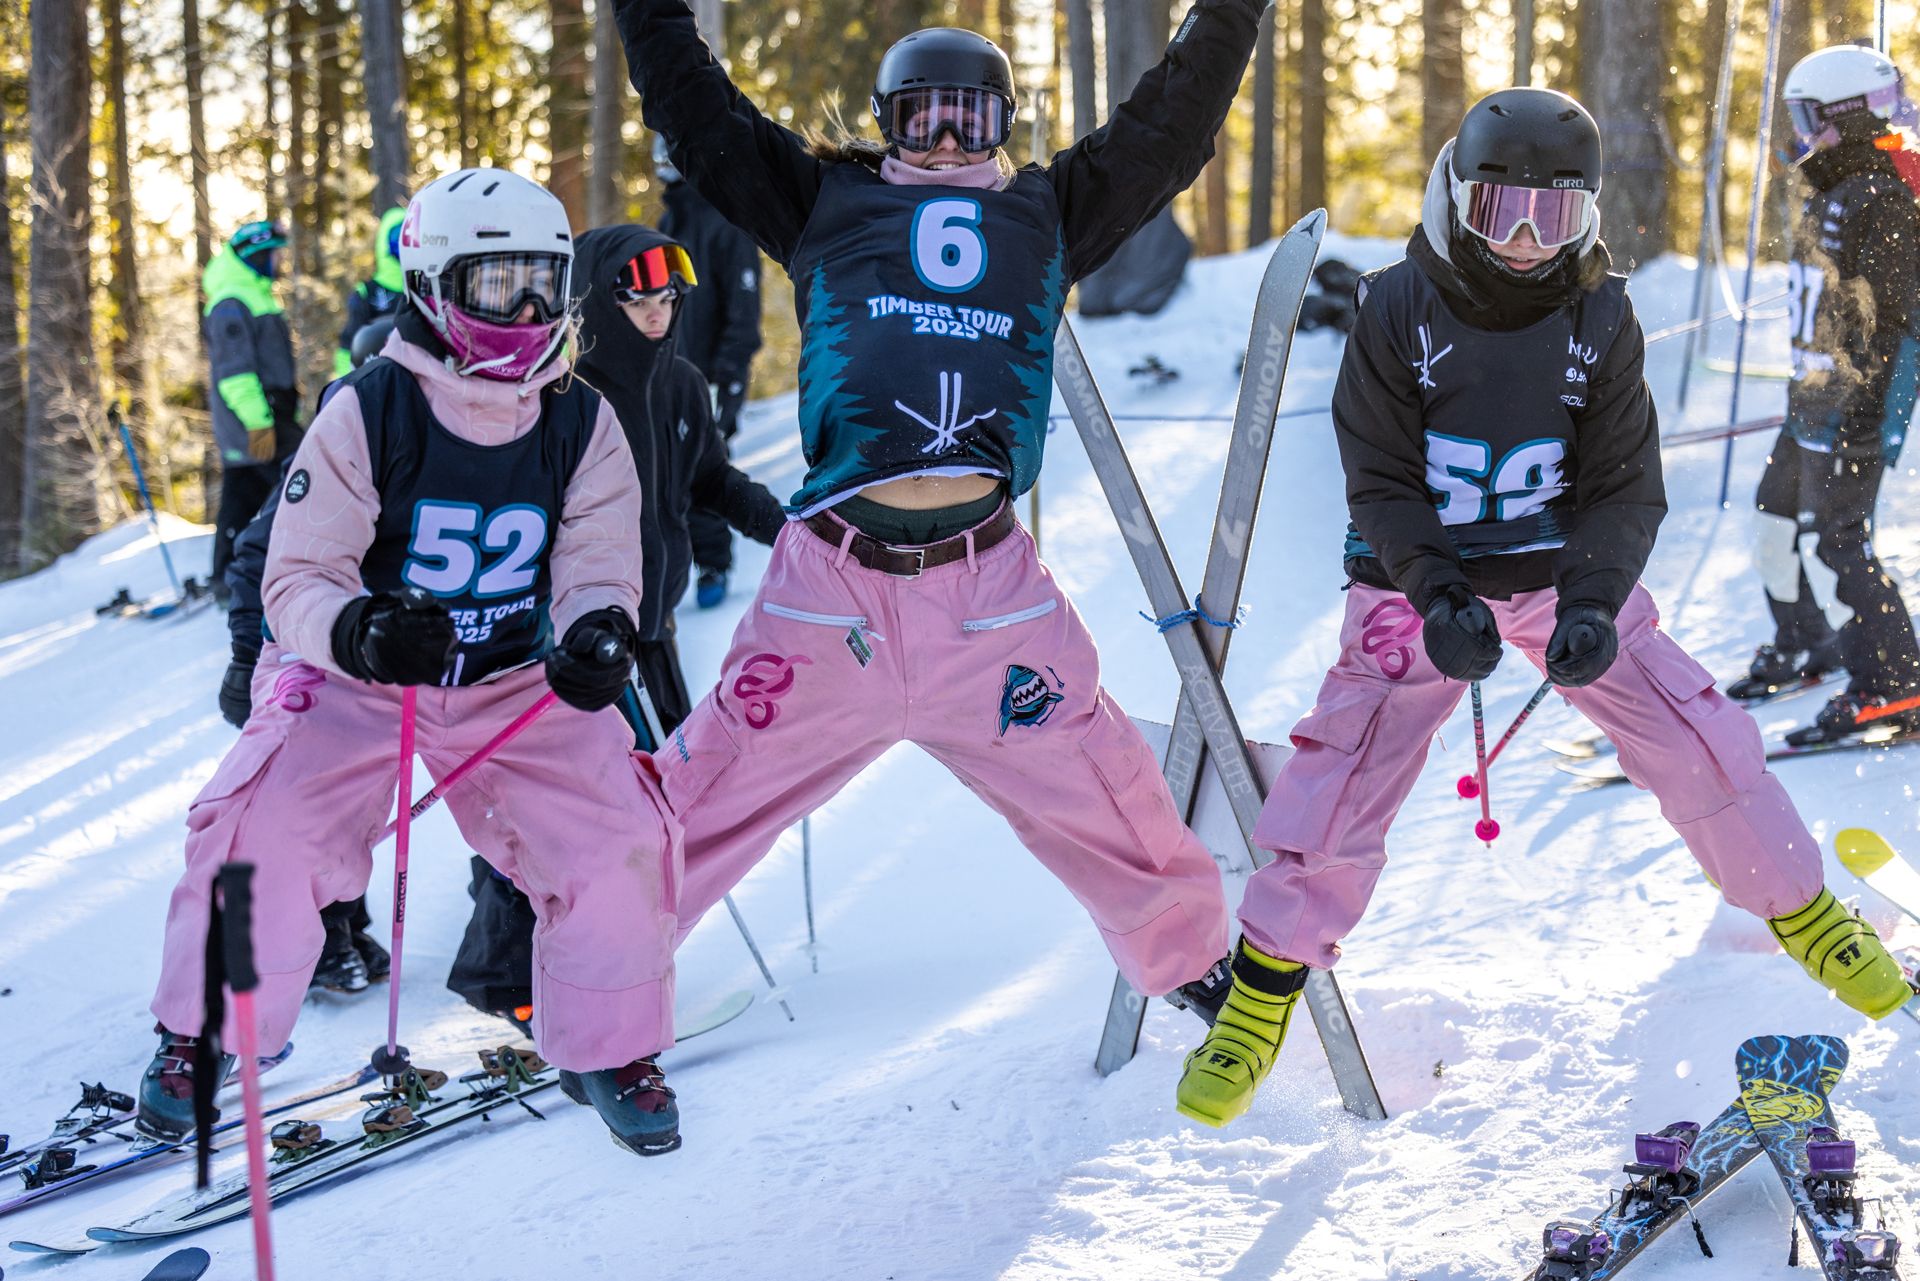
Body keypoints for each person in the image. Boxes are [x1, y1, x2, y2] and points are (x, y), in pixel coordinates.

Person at [1175, 88, 1915, 1130]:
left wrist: (1596, 604)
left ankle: (1803, 911)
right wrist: (1437, 594)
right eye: (1500, 211)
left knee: (1697, 732)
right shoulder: (1398, 306)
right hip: (1416, 583)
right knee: (1345, 767)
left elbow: (1625, 483)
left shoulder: (1600, 314)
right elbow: (1380, 476)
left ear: (1588, 214)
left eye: (1553, 216)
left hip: (1560, 573)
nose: (1525, 241)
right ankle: (1261, 991)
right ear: (1455, 198)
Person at [614, 0, 1263, 1039]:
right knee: (703, 791)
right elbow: (696, 112)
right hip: (833, 590)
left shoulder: (1049, 211)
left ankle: (1190, 958)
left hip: (986, 588)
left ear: (1005, 122)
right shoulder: (820, 200)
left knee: (1104, 783)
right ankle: (593, 984)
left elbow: (1171, 128)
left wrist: (1232, 12)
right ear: (888, 123)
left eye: (973, 118)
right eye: (925, 119)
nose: (951, 142)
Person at [139, 167, 687, 1158]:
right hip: (359, 676)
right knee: (260, 825)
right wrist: (358, 629)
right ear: (435, 285)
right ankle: (207, 1032)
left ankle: (608, 1045)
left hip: (509, 681)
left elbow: (599, 558)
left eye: (543, 284)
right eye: (497, 286)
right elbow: (298, 572)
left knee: (621, 833)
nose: (527, 313)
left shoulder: (581, 416)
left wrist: (598, 631)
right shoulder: (372, 407)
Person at [446, 225, 787, 1026]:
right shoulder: (562, 394)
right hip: (571, 641)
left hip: (651, 633)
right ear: (602, 300)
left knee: (662, 802)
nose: (658, 311)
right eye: (639, 298)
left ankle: (611, 958)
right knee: (559, 809)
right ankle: (510, 981)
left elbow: (711, 479)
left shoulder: (681, 384)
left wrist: (790, 529)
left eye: (669, 296)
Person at [1728, 45, 1920, 745]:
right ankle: (1808, 640)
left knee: (1835, 541)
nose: (1801, 134)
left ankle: (1894, 683)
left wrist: (1855, 405)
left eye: (1810, 118)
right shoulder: (1832, 188)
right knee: (1775, 519)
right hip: (1811, 398)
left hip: (1852, 406)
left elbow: (1890, 317)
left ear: (1849, 115)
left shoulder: (1883, 200)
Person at [220, 317, 400, 997]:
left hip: (370, 661)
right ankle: (316, 939)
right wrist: (246, 657)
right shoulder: (338, 443)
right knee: (314, 809)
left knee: (361, 807)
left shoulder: (418, 450)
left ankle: (347, 924)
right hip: (307, 658)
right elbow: (255, 554)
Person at [655, 136, 766, 609]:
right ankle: (662, 568)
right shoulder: (669, 220)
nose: (663, 165)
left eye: (671, 155)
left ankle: (713, 563)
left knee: (703, 465)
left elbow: (743, 309)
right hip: (667, 369)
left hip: (712, 374)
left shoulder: (727, 220)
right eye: (660, 155)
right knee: (661, 468)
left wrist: (730, 377)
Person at [204, 220, 301, 602]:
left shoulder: (254, 293)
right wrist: (259, 423)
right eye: (274, 254)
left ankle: (228, 575)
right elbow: (235, 374)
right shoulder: (232, 302)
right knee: (305, 473)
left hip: (270, 413)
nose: (279, 262)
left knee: (244, 492)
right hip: (255, 419)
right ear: (256, 256)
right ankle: (234, 578)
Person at [334, 206, 410, 377]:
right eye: (396, 236)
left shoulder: (425, 289)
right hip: (374, 377)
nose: (401, 244)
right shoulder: (367, 293)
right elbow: (348, 344)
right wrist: (344, 381)